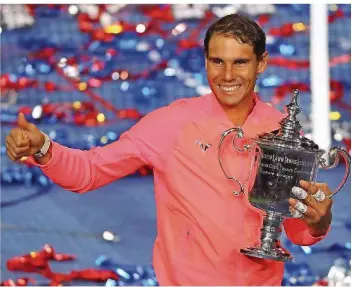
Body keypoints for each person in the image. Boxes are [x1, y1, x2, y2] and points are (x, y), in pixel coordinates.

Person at [6, 14, 333, 286]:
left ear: (261, 63)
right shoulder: (170, 124)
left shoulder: (280, 130)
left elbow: (293, 229)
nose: (228, 75)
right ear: (205, 61)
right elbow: (89, 171)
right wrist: (44, 147)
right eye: (217, 61)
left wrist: (318, 221)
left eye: (240, 63)